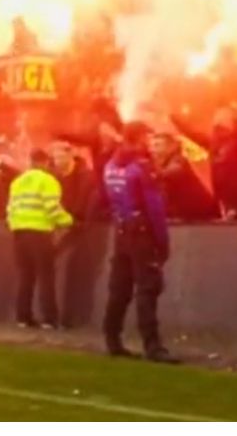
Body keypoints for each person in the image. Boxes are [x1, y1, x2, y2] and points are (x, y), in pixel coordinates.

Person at [101, 123, 179, 363]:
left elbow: (108, 199)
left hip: (121, 230)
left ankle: (112, 339)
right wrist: (162, 242)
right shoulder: (141, 168)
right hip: (141, 233)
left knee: (120, 289)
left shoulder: (110, 166)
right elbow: (154, 208)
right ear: (140, 138)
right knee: (147, 288)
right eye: (148, 137)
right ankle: (152, 346)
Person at [6, 149, 73, 329]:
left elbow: (10, 209)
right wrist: (69, 221)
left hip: (19, 233)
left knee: (25, 276)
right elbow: (52, 208)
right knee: (46, 277)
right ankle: (49, 319)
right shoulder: (48, 181)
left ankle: (23, 317)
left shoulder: (18, 182)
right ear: (45, 162)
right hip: (39, 233)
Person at [147, 132, 218, 222]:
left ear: (171, 147)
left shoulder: (178, 161)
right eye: (151, 146)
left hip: (201, 217)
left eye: (157, 145)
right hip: (190, 216)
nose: (152, 150)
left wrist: (154, 175)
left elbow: (175, 171)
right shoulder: (162, 164)